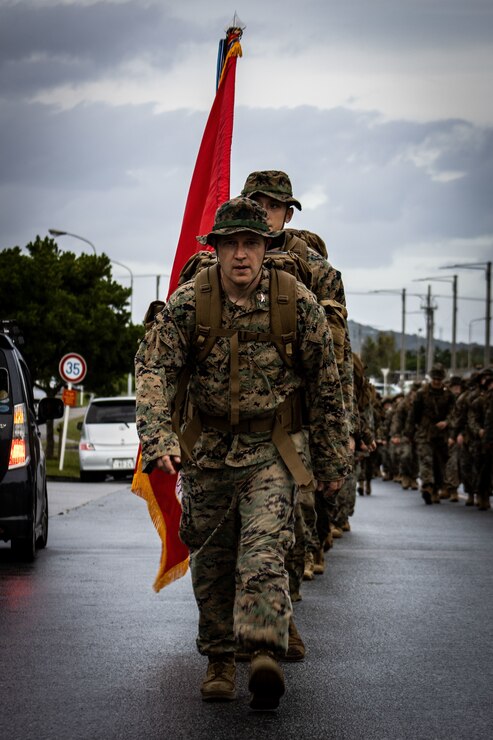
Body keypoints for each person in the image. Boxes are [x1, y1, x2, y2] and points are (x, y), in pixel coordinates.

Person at [135, 197, 350, 711]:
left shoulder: (295, 302)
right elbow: (153, 372)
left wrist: (332, 462)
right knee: (212, 561)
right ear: (216, 249)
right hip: (207, 453)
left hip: (269, 452)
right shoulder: (191, 303)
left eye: (251, 243)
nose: (240, 255)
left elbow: (326, 383)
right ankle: (218, 659)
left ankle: (262, 655)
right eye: (230, 244)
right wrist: (160, 439)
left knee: (263, 551)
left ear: (266, 248)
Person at [410, 363, 455, 505]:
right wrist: (412, 432)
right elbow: (414, 415)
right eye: (434, 378)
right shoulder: (421, 393)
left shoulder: (449, 395)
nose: (436, 381)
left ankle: (436, 489)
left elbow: (454, 413)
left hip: (442, 434)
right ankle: (428, 487)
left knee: (439, 463)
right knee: (426, 460)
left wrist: (447, 422)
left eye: (439, 379)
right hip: (425, 432)